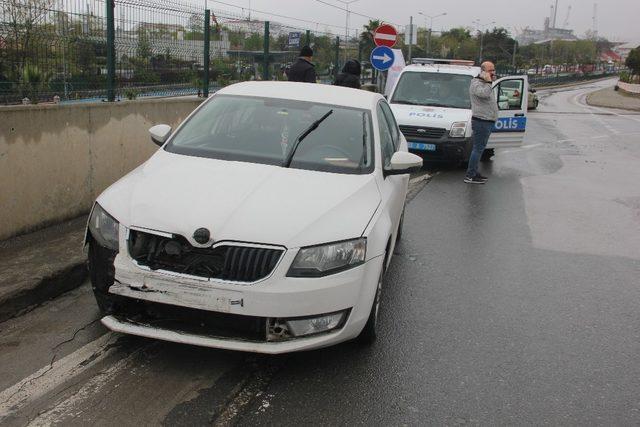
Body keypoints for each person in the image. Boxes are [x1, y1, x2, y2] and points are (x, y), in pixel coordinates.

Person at [465, 61, 498, 184]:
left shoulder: (485, 83)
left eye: (493, 70)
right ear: (483, 72)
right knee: (478, 149)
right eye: (490, 70)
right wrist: (489, 82)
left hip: (487, 120)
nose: (493, 73)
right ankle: (470, 175)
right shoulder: (476, 84)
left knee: (480, 148)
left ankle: (474, 172)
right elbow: (484, 94)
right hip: (481, 121)